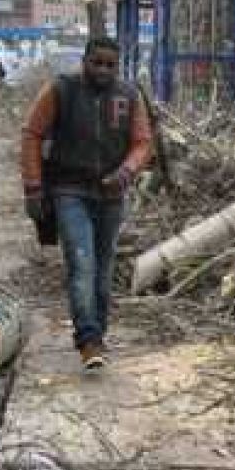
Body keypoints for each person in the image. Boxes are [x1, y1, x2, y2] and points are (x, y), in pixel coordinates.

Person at [20, 36, 153, 372]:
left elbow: (142, 143)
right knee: (82, 262)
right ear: (85, 61)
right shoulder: (61, 91)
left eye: (110, 64)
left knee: (104, 267)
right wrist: (34, 187)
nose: (103, 70)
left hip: (111, 195)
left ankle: (99, 333)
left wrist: (126, 172)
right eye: (97, 63)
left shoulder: (128, 96)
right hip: (69, 190)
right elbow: (32, 134)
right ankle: (88, 339)